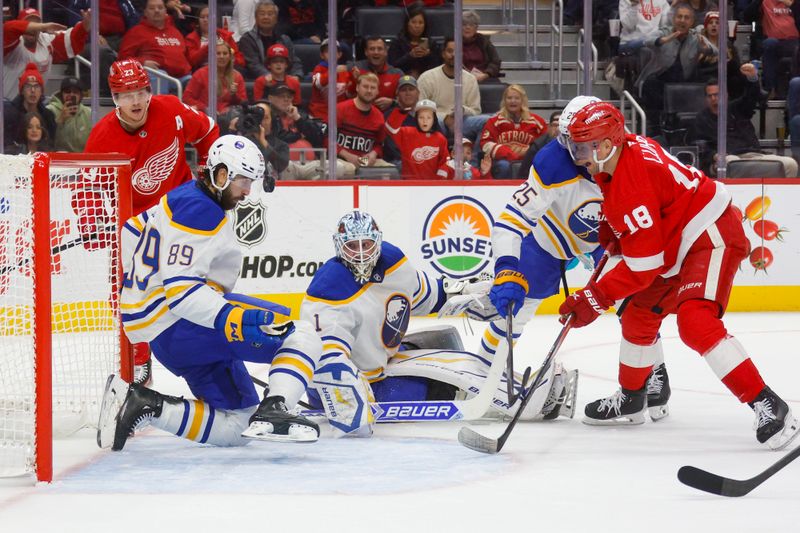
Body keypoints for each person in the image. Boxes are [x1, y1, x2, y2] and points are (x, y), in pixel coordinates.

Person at [562, 101, 800, 449]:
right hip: (675, 243)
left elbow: (643, 267)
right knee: (637, 313)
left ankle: (767, 404)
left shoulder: (629, 178)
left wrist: (594, 298)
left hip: (709, 235)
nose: (577, 154)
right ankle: (633, 397)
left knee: (695, 322)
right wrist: (617, 228)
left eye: (583, 146)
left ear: (607, 143)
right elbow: (648, 215)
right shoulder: (622, 153)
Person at [98, 134, 323, 450]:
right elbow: (182, 292)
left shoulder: (183, 197)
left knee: (239, 424)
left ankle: (143, 404)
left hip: (169, 336)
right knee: (301, 334)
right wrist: (236, 317)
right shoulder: (201, 211)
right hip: (187, 326)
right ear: (220, 174)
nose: (247, 191)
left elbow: (132, 229)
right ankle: (276, 408)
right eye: (243, 180)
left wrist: (139, 288)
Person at [299, 211, 575, 437]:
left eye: (366, 244)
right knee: (425, 389)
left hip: (382, 358)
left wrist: (467, 294)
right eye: (352, 246)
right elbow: (326, 357)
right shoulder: (329, 287)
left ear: (377, 241)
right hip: (349, 383)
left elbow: (426, 295)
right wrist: (344, 395)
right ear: (339, 246)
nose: (360, 253)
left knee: (446, 341)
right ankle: (514, 400)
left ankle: (508, 385)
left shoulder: (391, 262)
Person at [441, 95, 624, 416]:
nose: (576, 150)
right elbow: (511, 221)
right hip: (549, 239)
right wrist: (508, 269)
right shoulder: (554, 161)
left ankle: (650, 381)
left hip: (604, 241)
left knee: (635, 305)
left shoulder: (633, 160)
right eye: (569, 140)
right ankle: (483, 367)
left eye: (585, 141)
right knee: (519, 307)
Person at [85, 59, 219, 384]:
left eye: (141, 92)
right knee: (131, 295)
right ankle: (139, 362)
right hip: (137, 229)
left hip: (182, 216)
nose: (136, 101)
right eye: (126, 94)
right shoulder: (102, 138)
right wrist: (93, 222)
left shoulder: (170, 108)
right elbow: (87, 188)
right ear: (114, 99)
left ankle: (212, 351)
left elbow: (209, 131)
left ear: (149, 90)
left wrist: (208, 174)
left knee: (196, 285)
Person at [688, 67, 798, 177]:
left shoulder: (738, 108)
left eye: (716, 95)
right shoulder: (701, 119)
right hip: (723, 159)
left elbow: (751, 97)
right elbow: (700, 146)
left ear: (725, 95)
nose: (713, 99)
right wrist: (714, 155)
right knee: (732, 162)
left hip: (754, 155)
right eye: (709, 96)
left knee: (790, 164)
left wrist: (753, 79)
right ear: (705, 99)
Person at [636, 3, 716, 134]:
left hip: (684, 81)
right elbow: (647, 41)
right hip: (660, 80)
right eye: (679, 17)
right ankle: (655, 130)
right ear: (674, 19)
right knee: (651, 84)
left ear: (692, 22)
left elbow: (715, 51)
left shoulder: (696, 36)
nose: (682, 20)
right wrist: (663, 40)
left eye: (686, 17)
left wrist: (706, 49)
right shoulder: (664, 31)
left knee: (704, 83)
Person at [2, 7, 91, 100]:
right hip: (7, 103)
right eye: (30, 24)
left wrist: (85, 24)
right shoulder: (11, 41)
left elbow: (73, 39)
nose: (32, 29)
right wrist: (43, 27)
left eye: (37, 24)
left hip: (35, 105)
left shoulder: (47, 42)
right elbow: (8, 28)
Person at [418, 37, 488, 145]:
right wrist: (445, 118)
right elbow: (420, 108)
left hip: (463, 121)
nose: (454, 55)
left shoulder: (470, 79)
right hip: (437, 121)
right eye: (450, 51)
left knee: (487, 121)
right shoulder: (427, 77)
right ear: (443, 54)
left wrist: (462, 110)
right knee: (428, 121)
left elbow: (476, 110)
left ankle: (473, 159)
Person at [117, 0, 193, 93]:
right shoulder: (136, 32)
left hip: (181, 78)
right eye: (152, 8)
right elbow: (122, 59)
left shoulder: (175, 32)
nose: (157, 11)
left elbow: (187, 57)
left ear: (165, 11)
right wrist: (142, 62)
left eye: (160, 8)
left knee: (195, 80)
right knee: (160, 75)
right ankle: (158, 106)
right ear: (145, 12)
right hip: (155, 76)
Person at [479, 84, 547, 178]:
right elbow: (485, 143)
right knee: (504, 166)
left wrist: (529, 153)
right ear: (504, 100)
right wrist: (507, 153)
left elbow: (545, 143)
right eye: (509, 98)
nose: (513, 101)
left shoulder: (537, 122)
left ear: (523, 101)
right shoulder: (494, 121)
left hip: (529, 160)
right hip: (502, 160)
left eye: (516, 98)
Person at [336, 73, 395, 177]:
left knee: (390, 170)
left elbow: (379, 144)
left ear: (377, 92)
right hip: (341, 159)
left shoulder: (379, 116)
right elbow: (326, 139)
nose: (369, 90)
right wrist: (347, 155)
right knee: (349, 169)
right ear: (357, 88)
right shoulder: (340, 109)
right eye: (365, 86)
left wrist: (374, 154)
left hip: (364, 161)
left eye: (372, 88)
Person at [267, 84, 326, 180]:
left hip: (310, 163)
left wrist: (297, 118)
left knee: (338, 168)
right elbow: (278, 137)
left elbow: (317, 136)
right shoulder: (268, 116)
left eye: (289, 97)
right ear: (270, 98)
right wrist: (300, 135)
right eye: (281, 96)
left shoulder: (299, 114)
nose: (286, 99)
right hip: (284, 165)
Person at [385, 99, 450, 179]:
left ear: (434, 119)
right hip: (409, 185)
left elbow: (445, 160)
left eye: (429, 117)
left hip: (432, 186)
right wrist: (400, 113)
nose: (424, 121)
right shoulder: (407, 133)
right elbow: (390, 129)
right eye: (421, 117)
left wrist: (440, 181)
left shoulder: (440, 138)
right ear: (416, 118)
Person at [238, 1, 303, 80]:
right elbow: (254, 65)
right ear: (256, 18)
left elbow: (294, 61)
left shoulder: (284, 39)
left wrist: (296, 75)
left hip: (284, 82)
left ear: (276, 19)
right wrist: (273, 78)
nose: (266, 17)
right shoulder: (247, 39)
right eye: (262, 14)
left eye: (270, 14)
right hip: (259, 82)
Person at [183, 37, 247, 116]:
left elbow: (243, 103)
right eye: (218, 53)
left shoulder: (237, 76)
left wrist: (234, 95)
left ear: (230, 57)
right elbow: (187, 98)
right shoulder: (200, 74)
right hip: (205, 116)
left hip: (229, 116)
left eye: (225, 53)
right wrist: (205, 108)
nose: (221, 56)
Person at [3, 63, 57, 144]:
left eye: (36, 86)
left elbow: (51, 144)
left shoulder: (48, 116)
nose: (33, 91)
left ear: (41, 91)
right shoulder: (10, 113)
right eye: (28, 86)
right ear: (22, 91)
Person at [350, 36, 404, 112]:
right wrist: (354, 81)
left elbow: (408, 101)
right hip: (358, 118)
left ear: (386, 51)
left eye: (380, 49)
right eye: (372, 49)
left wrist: (392, 102)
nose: (376, 52)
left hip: (387, 119)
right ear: (366, 52)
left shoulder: (397, 74)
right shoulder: (354, 69)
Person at [387, 6, 441, 79]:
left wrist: (428, 55)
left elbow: (438, 68)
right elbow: (392, 66)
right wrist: (409, 56)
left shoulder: (432, 43)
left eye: (420, 22)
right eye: (413, 22)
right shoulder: (398, 42)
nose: (417, 26)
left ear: (425, 25)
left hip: (427, 80)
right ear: (407, 24)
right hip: (403, 80)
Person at [309, 38, 353, 122]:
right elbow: (318, 83)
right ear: (322, 55)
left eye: (334, 52)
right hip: (319, 116)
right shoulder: (318, 69)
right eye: (328, 52)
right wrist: (334, 71)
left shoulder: (344, 72)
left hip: (339, 116)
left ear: (339, 54)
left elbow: (350, 94)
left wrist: (355, 79)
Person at [383, 74, 421, 166]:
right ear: (397, 94)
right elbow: (391, 147)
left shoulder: (427, 116)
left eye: (411, 89)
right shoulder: (390, 116)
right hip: (398, 162)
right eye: (403, 90)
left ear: (418, 93)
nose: (407, 93)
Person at [46, 77, 92, 152]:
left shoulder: (89, 113)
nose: (71, 95)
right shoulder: (50, 110)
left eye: (75, 92)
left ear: (81, 95)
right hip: (59, 158)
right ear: (61, 94)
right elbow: (46, 142)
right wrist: (60, 121)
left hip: (83, 159)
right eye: (67, 91)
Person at [461, 10, 502, 82]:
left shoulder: (484, 41)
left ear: (476, 28)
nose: (467, 27)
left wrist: (486, 74)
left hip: (484, 77)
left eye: (471, 25)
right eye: (464, 24)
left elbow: (495, 62)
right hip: (462, 79)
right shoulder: (454, 42)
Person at [519, 111, 561, 177]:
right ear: (549, 127)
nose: (558, 129)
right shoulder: (537, 146)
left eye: (561, 126)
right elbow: (524, 173)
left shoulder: (575, 146)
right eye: (555, 125)